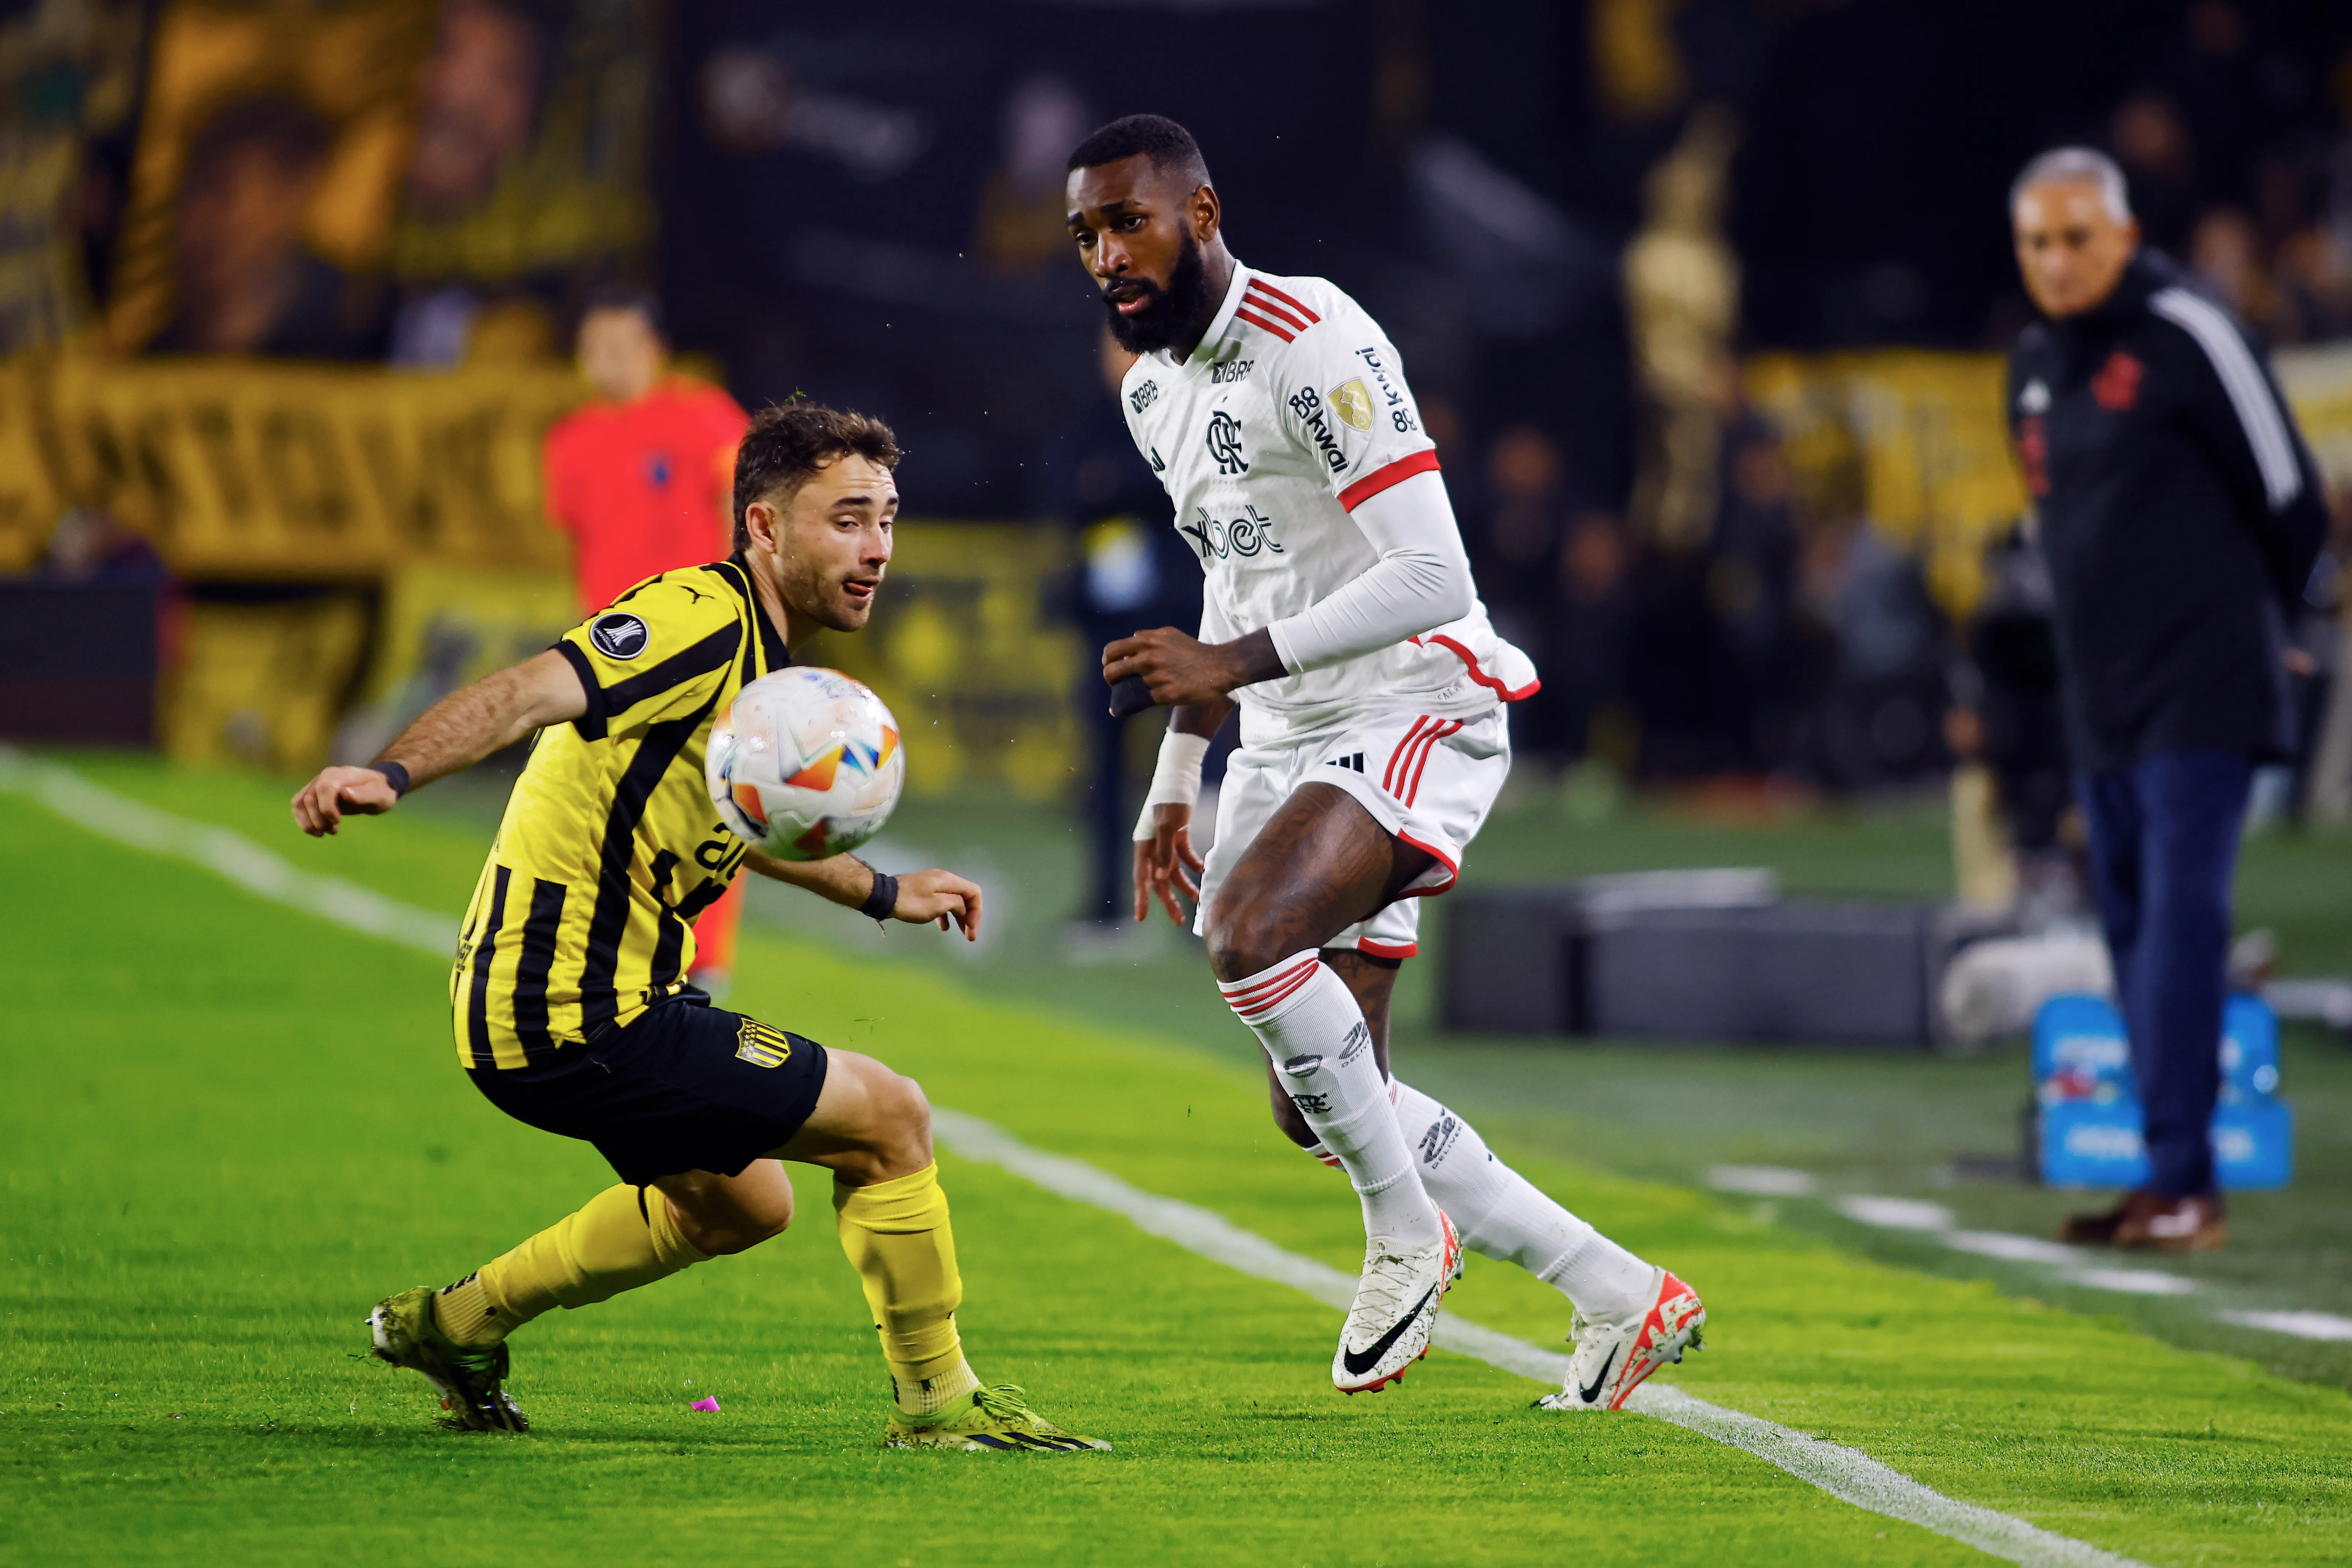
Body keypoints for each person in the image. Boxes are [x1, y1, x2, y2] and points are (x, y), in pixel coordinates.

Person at [288, 402, 1104, 1453]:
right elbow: (530, 689)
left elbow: (736, 811)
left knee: (744, 1206)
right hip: (573, 1005)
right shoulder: (697, 620)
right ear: (763, 528)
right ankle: (941, 1403)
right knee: (891, 1118)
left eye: (888, 521)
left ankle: (454, 1325)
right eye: (847, 520)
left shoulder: (762, 666)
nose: (876, 551)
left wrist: (883, 892)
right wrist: (392, 770)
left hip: (576, 1005)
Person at [1068, 115, 1703, 1406]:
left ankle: (1410, 1235)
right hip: (1292, 726)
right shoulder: (1150, 389)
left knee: (1246, 938)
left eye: (1127, 220)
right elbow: (1232, 574)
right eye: (1083, 232)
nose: (1103, 253)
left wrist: (1229, 672)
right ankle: (1622, 1296)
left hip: (1416, 698)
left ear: (1200, 212)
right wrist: (1174, 781)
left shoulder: (1319, 341)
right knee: (1322, 1100)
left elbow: (1432, 574)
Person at [2006, 148, 2328, 1250]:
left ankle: (2188, 1179)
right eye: (2037, 243)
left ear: (2126, 236)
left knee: (2183, 927)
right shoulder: (2035, 363)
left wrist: (2269, 626)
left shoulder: (2190, 329)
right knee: (2135, 931)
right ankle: (2163, 1176)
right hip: (2105, 699)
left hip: (2205, 680)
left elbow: (2291, 497)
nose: (2057, 261)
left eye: (2076, 238)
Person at [542, 285, 752, 996]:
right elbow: (584, 546)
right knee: (607, 801)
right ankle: (613, 945)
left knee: (710, 799)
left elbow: (751, 502)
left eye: (621, 347)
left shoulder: (702, 418)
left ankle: (707, 963)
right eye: (594, 347)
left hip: (700, 643)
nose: (606, 361)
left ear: (654, 351)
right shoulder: (568, 443)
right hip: (610, 650)